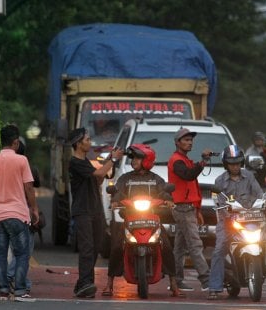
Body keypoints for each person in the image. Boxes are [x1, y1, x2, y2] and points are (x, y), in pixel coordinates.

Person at [103, 144, 181, 297]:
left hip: (152, 220)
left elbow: (165, 192)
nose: (134, 161)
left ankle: (173, 283)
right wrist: (115, 200)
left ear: (147, 160)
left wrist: (169, 200)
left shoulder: (156, 179)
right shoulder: (125, 178)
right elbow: (117, 192)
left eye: (138, 158)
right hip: (130, 220)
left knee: (166, 246)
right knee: (117, 246)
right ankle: (109, 283)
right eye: (133, 158)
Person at [0, 125, 39, 302]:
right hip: (16, 214)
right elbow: (29, 187)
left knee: (0, 254)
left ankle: (3, 291)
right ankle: (21, 290)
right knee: (22, 253)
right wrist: (34, 209)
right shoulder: (22, 161)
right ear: (15, 142)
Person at [68, 127, 124, 298]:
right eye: (87, 139)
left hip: (95, 209)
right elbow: (100, 172)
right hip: (83, 210)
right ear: (78, 144)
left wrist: (108, 159)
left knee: (96, 247)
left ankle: (82, 284)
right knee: (87, 247)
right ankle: (86, 283)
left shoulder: (85, 161)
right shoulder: (75, 162)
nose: (90, 142)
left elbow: (99, 177)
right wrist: (113, 159)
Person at [208, 145, 264, 300]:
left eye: (238, 163)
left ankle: (262, 270)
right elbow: (217, 203)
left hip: (249, 219)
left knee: (265, 240)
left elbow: (259, 193)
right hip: (228, 223)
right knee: (220, 249)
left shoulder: (249, 177)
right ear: (226, 164)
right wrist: (227, 214)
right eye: (232, 163)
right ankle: (214, 287)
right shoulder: (219, 181)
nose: (235, 166)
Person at [168, 127, 212, 292]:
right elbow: (188, 175)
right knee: (195, 244)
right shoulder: (177, 160)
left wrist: (197, 210)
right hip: (183, 208)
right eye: (185, 140)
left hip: (186, 208)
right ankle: (206, 280)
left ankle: (176, 280)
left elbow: (190, 182)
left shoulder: (184, 159)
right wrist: (202, 162)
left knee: (179, 247)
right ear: (177, 142)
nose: (189, 142)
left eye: (190, 140)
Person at [6, 137, 42, 296]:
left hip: (6, 211)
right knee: (25, 251)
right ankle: (10, 275)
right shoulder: (27, 166)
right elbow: (32, 187)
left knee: (16, 249)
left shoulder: (1, 164)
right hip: (23, 211)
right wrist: (34, 209)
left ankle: (23, 282)